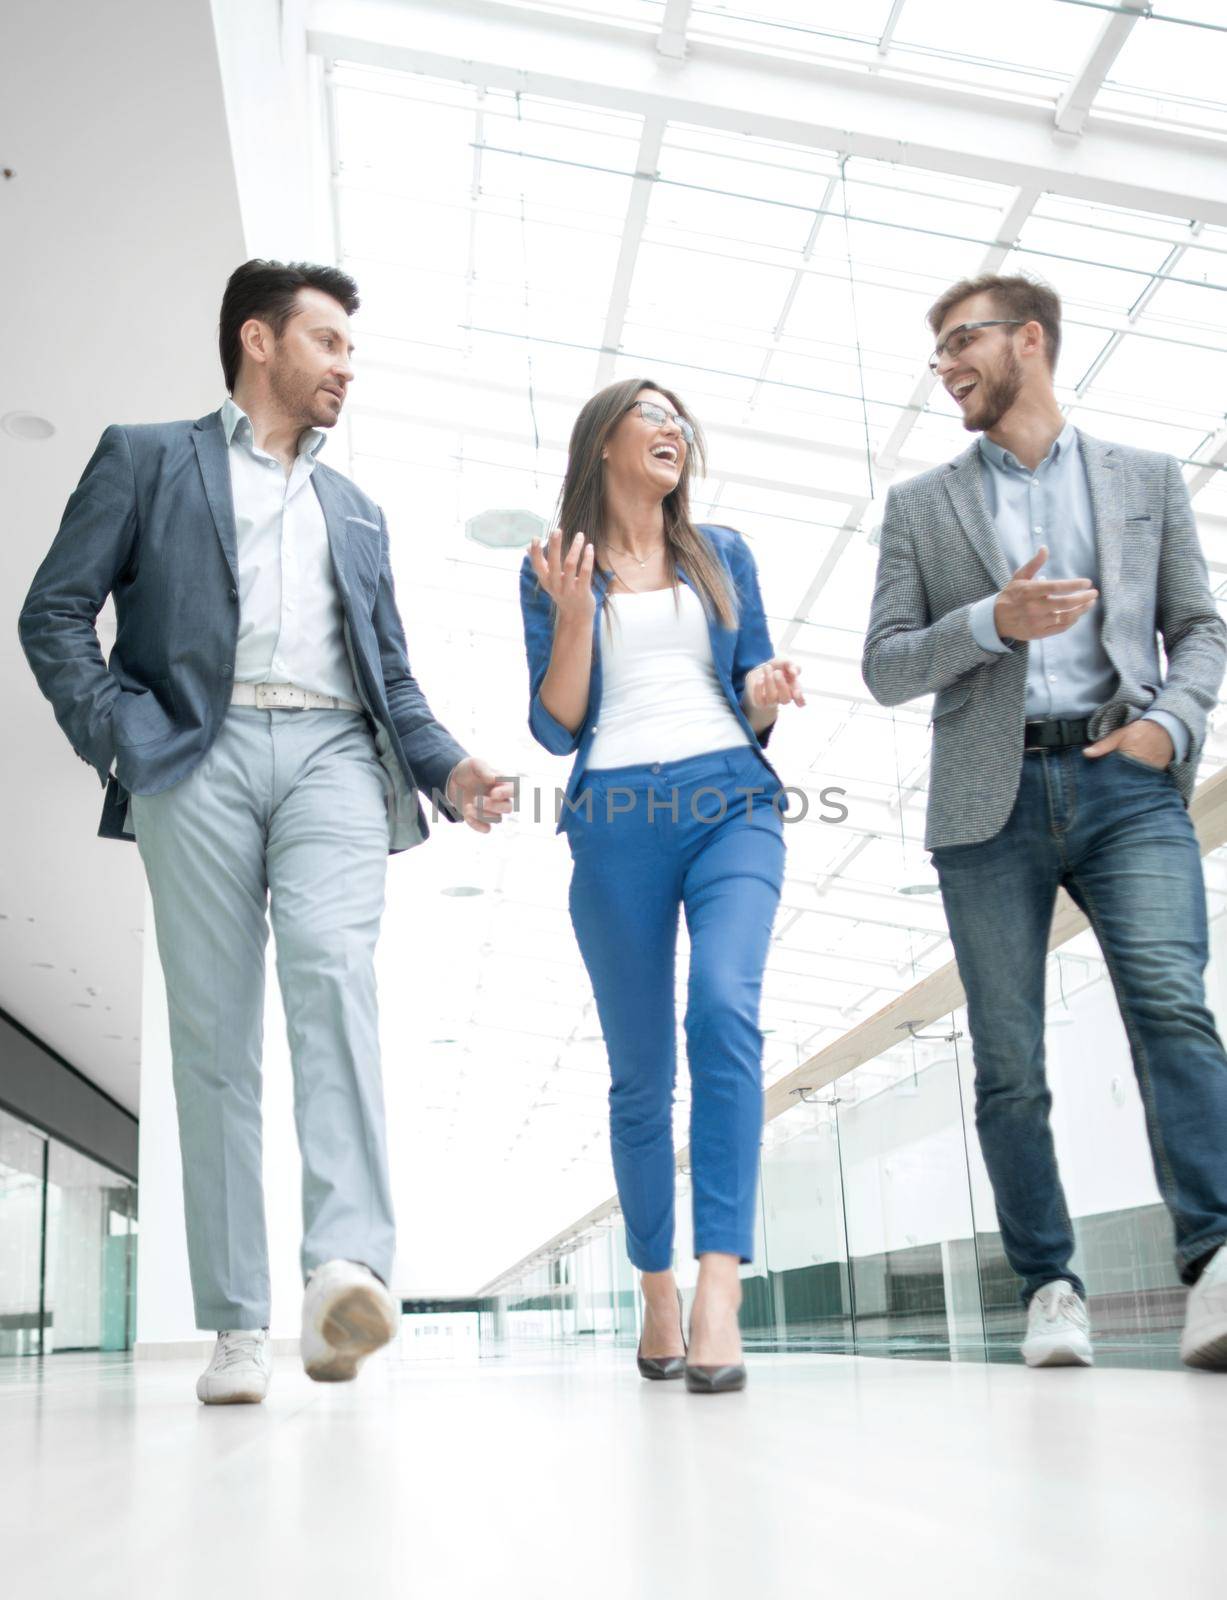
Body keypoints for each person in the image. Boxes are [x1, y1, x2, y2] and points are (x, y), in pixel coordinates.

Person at [19, 259, 513, 1404]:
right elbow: (53, 610)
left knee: (334, 974)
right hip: (195, 756)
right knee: (214, 1035)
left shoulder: (357, 509)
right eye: (330, 342)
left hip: (337, 755)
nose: (349, 365)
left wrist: (447, 767)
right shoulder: (147, 456)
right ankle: (238, 1323)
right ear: (260, 341)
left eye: (350, 347)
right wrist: (119, 739)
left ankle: (343, 1269)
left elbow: (389, 671)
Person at [862, 272, 1227, 1371]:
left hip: (1125, 781)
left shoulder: (1145, 479)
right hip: (991, 801)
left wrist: (1173, 722)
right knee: (1008, 1058)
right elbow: (884, 666)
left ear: (1031, 340)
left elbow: (1200, 627)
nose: (946, 366)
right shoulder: (922, 506)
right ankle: (1050, 1285)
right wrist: (990, 618)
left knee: (1172, 1009)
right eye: (936, 351)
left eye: (961, 341)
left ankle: (1214, 1263)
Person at [520, 379, 804, 1392]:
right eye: (653, 415)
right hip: (616, 821)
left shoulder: (723, 553)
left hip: (733, 798)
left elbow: (755, 686)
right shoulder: (555, 566)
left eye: (682, 417)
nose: (673, 428)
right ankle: (657, 1292)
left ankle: (719, 1285)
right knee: (642, 1076)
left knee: (723, 1009)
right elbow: (556, 725)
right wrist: (569, 613)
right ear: (603, 442)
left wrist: (762, 697)